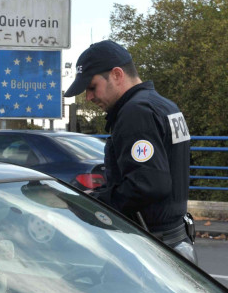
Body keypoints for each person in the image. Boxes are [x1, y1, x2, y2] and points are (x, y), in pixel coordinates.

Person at [64, 40, 196, 263]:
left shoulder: (136, 112)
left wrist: (93, 202)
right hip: (176, 241)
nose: (88, 97)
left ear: (116, 75)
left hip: (153, 248)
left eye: (92, 87)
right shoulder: (164, 105)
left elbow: (148, 184)